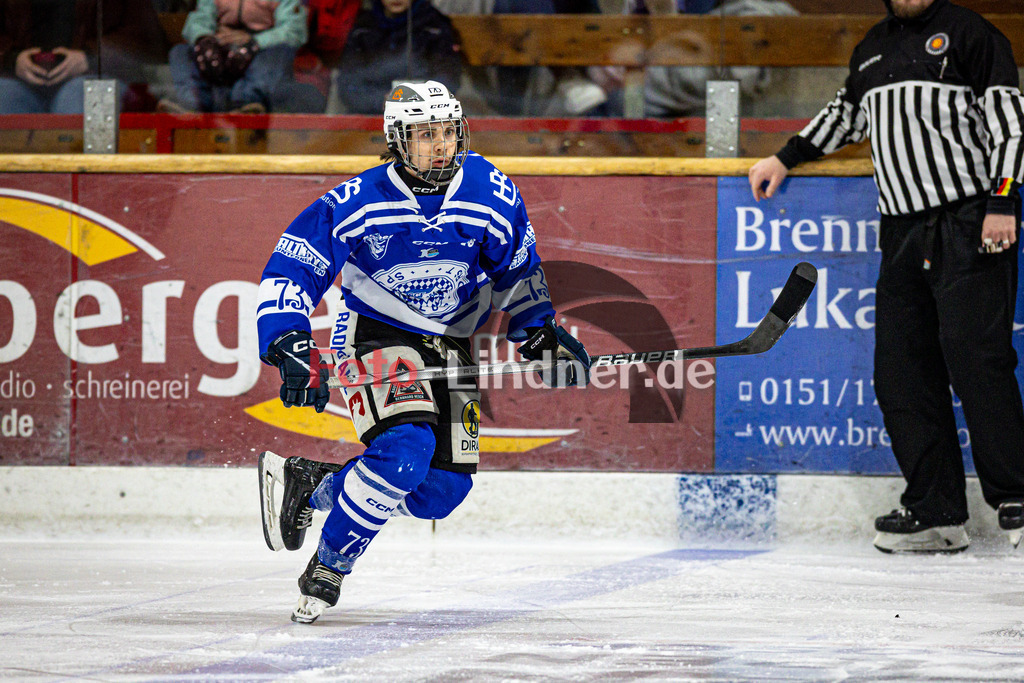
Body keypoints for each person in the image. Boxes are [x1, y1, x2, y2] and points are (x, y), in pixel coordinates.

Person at [255, 80, 591, 622]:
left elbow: (517, 271)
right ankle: (330, 565)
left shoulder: (491, 190)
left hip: (451, 340)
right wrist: (288, 339)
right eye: (426, 134)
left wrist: (539, 333)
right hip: (375, 332)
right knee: (404, 452)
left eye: (448, 132)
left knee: (440, 492)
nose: (441, 144)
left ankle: (315, 485)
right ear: (397, 139)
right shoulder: (358, 199)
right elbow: (295, 266)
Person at [748, 0, 1024, 554]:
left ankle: (1017, 497)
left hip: (969, 220)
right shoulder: (872, 48)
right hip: (901, 231)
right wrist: (785, 157)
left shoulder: (971, 34)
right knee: (901, 373)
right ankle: (936, 511)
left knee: (978, 362)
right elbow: (845, 116)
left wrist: (1003, 201)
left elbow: (1011, 125)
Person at [0, 0, 166, 114]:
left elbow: (147, 40)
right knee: (4, 96)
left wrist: (89, 58)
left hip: (95, 75)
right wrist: (12, 59)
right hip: (17, 80)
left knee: (81, 95)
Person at [160, 0, 308, 114]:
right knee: (180, 52)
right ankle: (192, 105)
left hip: (262, 45)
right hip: (220, 43)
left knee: (278, 53)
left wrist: (253, 41)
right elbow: (199, 18)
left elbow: (294, 30)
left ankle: (247, 105)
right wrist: (205, 38)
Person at [335, 0, 461, 115]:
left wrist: (422, 98)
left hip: (424, 116)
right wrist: (381, 100)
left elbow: (448, 78)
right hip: (371, 116)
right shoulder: (362, 27)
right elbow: (348, 83)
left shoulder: (434, 26)